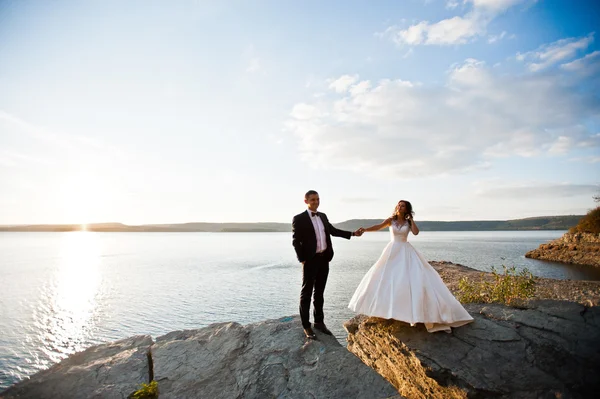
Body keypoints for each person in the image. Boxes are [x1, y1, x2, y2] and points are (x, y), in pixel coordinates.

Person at [348, 200, 473, 333]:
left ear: (406, 209)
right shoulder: (391, 220)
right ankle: (388, 311)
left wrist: (411, 220)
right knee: (387, 278)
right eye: (398, 205)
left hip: (405, 250)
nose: (399, 207)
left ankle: (409, 313)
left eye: (402, 206)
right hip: (392, 250)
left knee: (408, 279)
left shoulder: (408, 222)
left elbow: (416, 232)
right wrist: (365, 230)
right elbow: (378, 226)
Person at [292, 190, 363, 339]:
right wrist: (302, 259)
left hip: (324, 259)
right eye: (312, 200)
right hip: (310, 260)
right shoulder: (299, 219)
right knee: (306, 294)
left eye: (318, 199)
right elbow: (295, 240)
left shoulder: (322, 216)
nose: (316, 202)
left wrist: (352, 234)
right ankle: (306, 326)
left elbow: (332, 231)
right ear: (306, 201)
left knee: (319, 293)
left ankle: (319, 322)